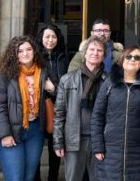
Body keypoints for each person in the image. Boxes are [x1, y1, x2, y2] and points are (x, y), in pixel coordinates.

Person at [0, 36, 56, 181]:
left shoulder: (44, 72)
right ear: (14, 54)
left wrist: (52, 89)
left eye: (28, 49)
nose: (25, 53)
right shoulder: (5, 75)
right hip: (12, 130)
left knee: (29, 177)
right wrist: (4, 134)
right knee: (15, 178)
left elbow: (60, 98)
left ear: (34, 52)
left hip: (35, 130)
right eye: (20, 51)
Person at [91, 46, 140, 181]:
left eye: (137, 57)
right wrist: (98, 146)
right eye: (129, 56)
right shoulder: (109, 83)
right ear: (122, 60)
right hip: (111, 150)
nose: (133, 60)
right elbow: (97, 115)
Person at [53, 36, 106, 181]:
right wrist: (58, 141)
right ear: (85, 52)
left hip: (100, 141)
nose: (95, 53)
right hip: (74, 140)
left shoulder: (109, 81)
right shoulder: (67, 79)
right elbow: (59, 114)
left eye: (99, 50)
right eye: (92, 49)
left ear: (104, 55)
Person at [38, 24, 68, 181]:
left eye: (54, 37)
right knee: (36, 149)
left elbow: (67, 86)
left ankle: (53, 178)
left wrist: (53, 89)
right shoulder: (35, 57)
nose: (50, 40)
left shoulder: (63, 57)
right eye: (47, 36)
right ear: (41, 38)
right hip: (39, 108)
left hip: (59, 108)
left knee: (55, 147)